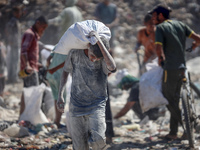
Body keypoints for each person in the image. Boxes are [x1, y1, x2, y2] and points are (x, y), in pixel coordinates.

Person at [57, 30, 116, 149]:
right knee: (80, 146)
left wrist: (99, 42)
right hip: (77, 104)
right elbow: (65, 71)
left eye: (97, 58)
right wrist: (60, 95)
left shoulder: (103, 58)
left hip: (96, 104)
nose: (94, 59)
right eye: (92, 56)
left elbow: (113, 67)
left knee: (99, 141)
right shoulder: (74, 53)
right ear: (88, 46)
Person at [149, 4, 200, 140]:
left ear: (161, 15)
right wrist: (194, 45)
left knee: (168, 98)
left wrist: (160, 59)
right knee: (176, 99)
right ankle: (173, 132)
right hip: (182, 67)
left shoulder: (160, 28)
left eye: (154, 16)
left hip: (170, 68)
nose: (152, 19)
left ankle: (189, 127)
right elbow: (198, 38)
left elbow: (158, 48)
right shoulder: (181, 25)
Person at [19, 16, 48, 116]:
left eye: (45, 28)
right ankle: (29, 117)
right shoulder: (30, 34)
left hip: (32, 67)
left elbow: (30, 52)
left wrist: (36, 64)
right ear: (37, 23)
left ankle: (23, 116)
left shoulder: (34, 35)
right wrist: (27, 65)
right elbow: (23, 51)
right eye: (43, 27)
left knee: (27, 93)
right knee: (34, 94)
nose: (43, 30)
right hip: (29, 70)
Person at [46, 51, 67, 128]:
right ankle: (57, 122)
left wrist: (48, 69)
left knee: (56, 98)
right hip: (60, 76)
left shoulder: (58, 45)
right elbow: (67, 62)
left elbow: (48, 59)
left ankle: (56, 121)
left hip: (51, 75)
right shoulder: (71, 46)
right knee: (62, 98)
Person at [5, 5, 22, 83]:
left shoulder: (16, 20)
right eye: (18, 12)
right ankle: (13, 78)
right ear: (15, 13)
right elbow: (7, 29)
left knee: (13, 61)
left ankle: (11, 77)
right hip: (14, 44)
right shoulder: (13, 20)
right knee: (14, 61)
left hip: (15, 44)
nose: (19, 14)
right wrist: (10, 40)